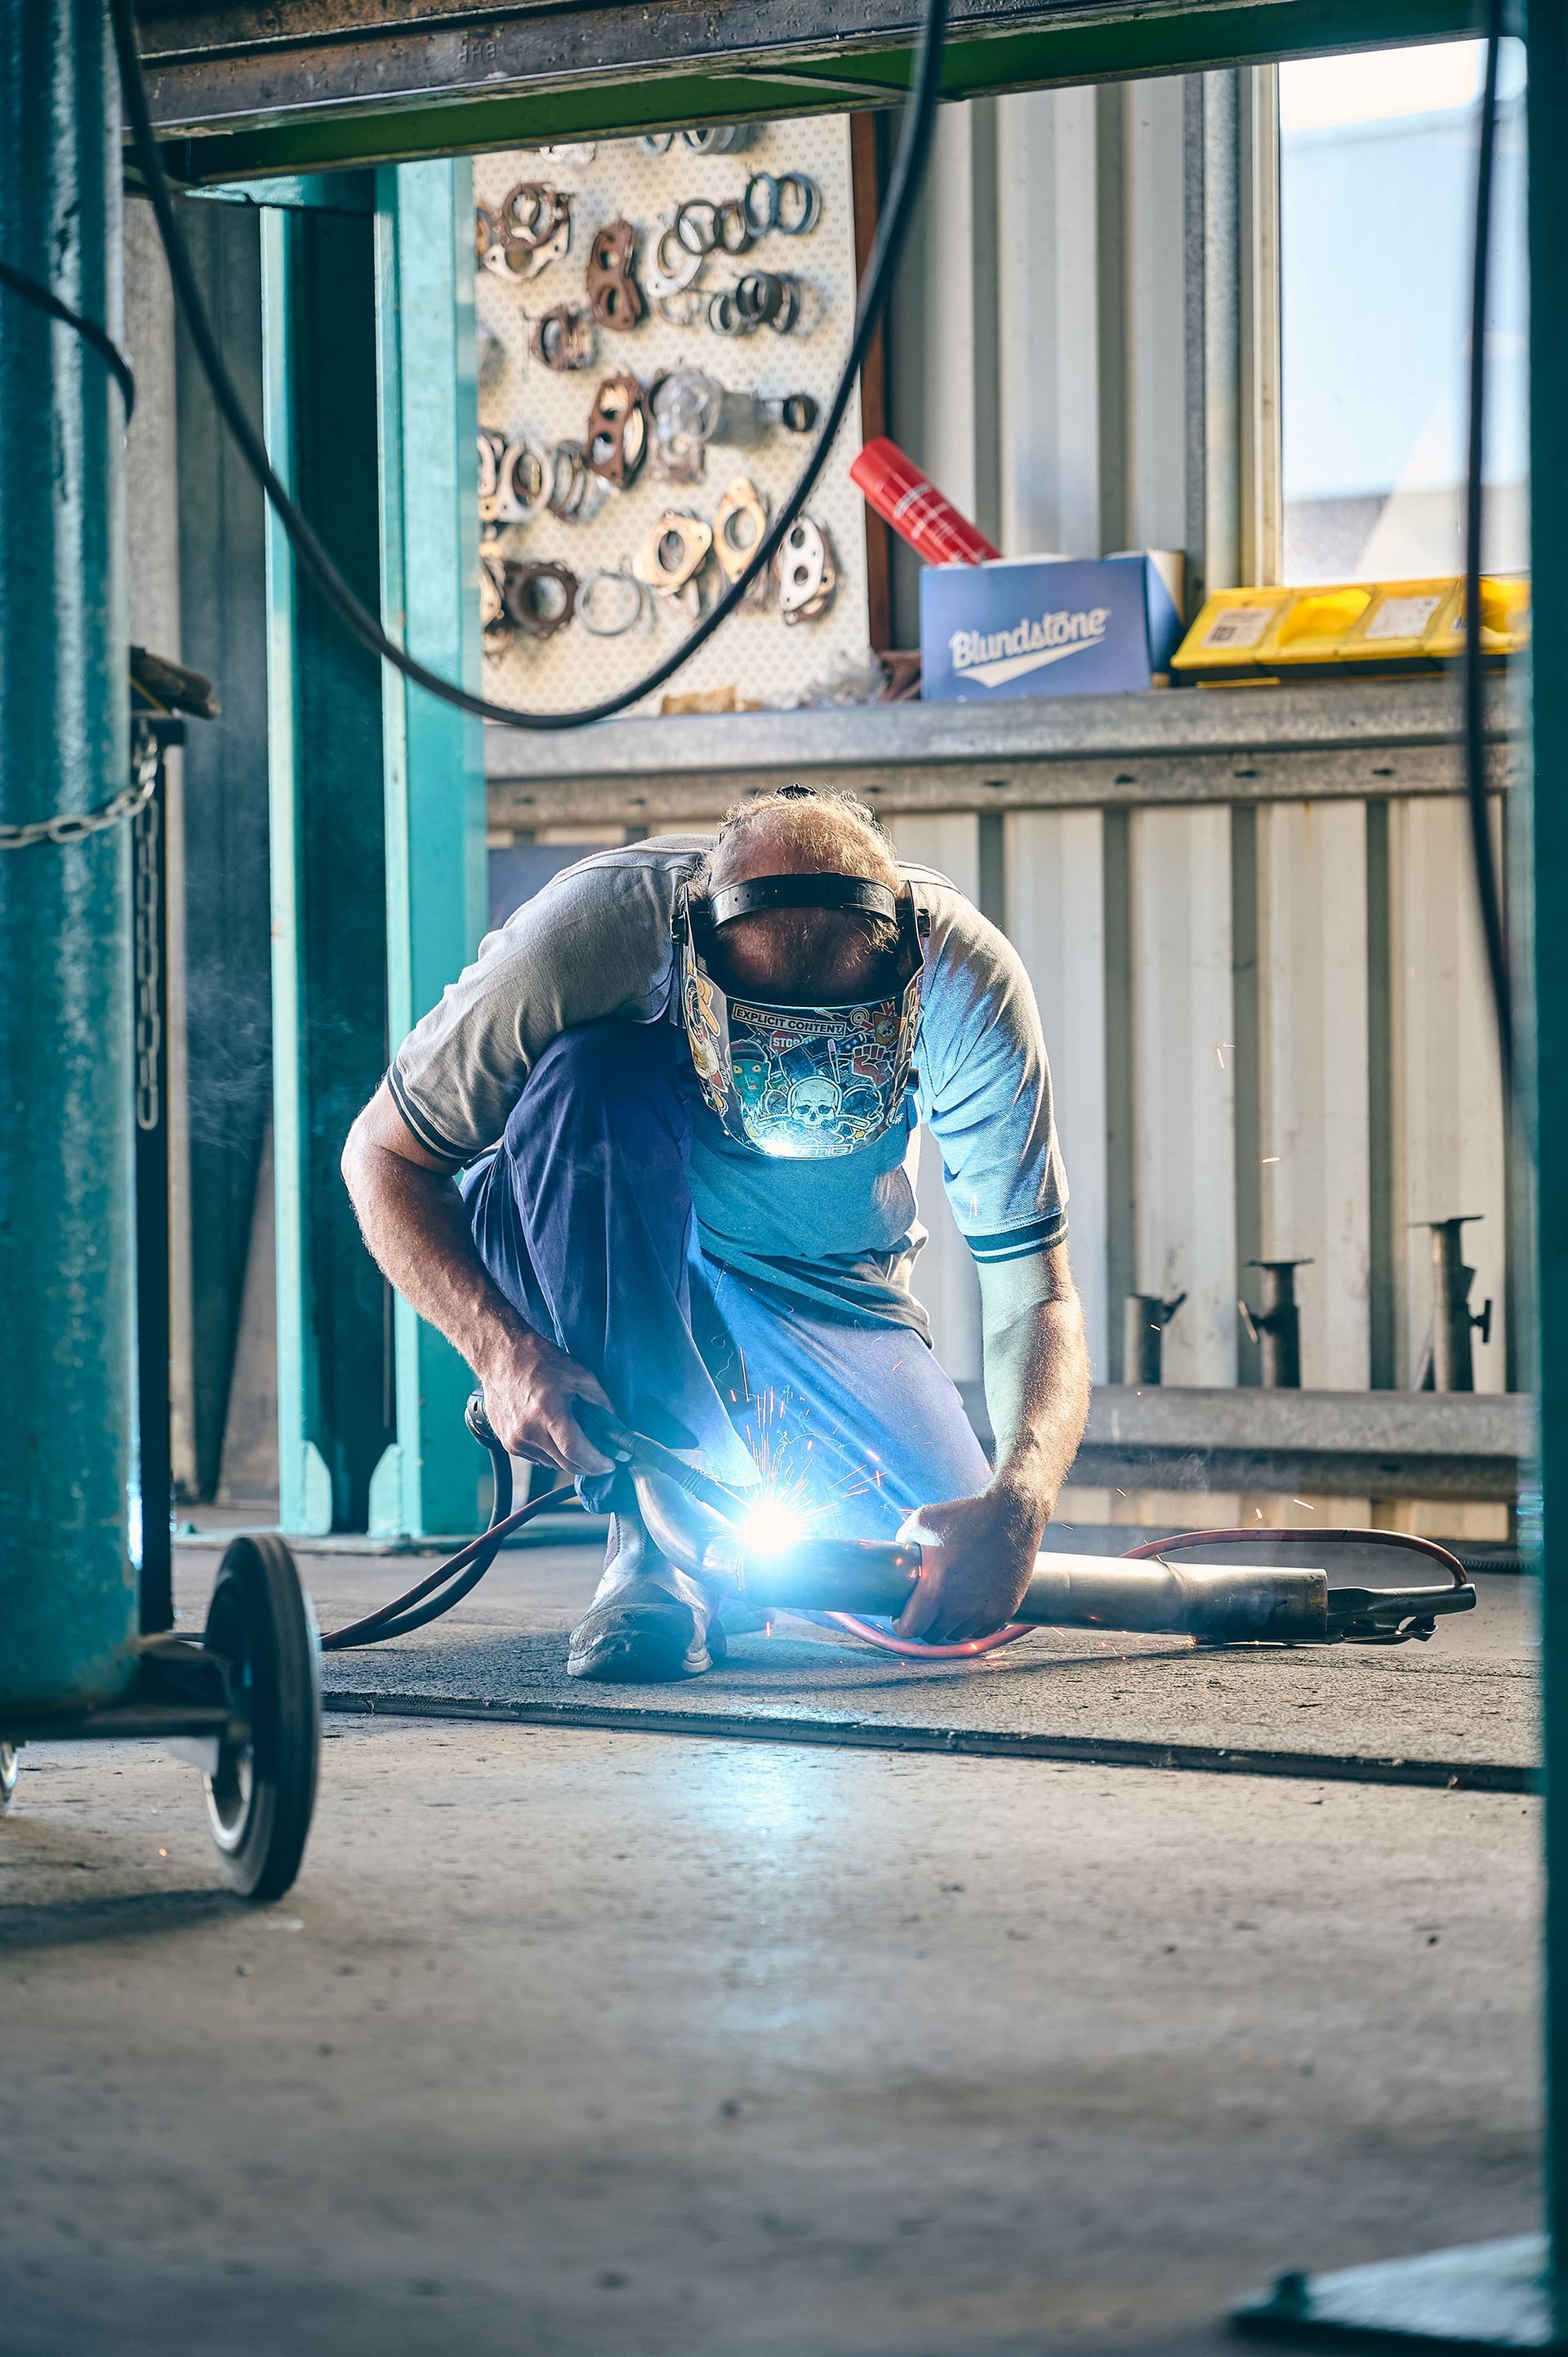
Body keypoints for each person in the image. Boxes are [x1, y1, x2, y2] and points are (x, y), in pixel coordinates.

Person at [341, 786, 1090, 1682]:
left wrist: (1020, 1500)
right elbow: (381, 1157)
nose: (807, 1081)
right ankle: (655, 1537)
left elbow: (1036, 1294)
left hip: (825, 1290)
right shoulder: (592, 935)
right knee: (591, 1073)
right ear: (695, 958)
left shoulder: (965, 978)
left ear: (904, 969)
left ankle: (732, 1531)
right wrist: (501, 1353)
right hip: (592, 1240)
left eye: (837, 1040)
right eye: (773, 1037)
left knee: (945, 1591)